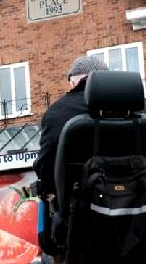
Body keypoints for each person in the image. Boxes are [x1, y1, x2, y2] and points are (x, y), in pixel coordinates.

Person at [33, 55, 109, 196]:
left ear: (74, 83)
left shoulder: (57, 112)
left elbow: (46, 166)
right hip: (141, 204)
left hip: (81, 208)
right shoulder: (139, 108)